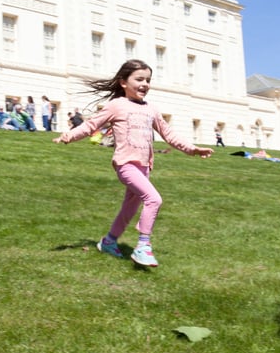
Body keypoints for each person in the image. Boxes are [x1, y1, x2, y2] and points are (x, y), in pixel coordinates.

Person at [54, 59, 213, 267]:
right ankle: (143, 246)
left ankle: (109, 241)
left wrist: (192, 149)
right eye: (139, 79)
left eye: (148, 80)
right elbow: (91, 124)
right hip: (125, 165)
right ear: (123, 82)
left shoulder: (151, 110)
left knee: (128, 209)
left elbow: (168, 133)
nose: (145, 84)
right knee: (154, 199)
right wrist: (68, 136)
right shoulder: (116, 106)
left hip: (144, 168)